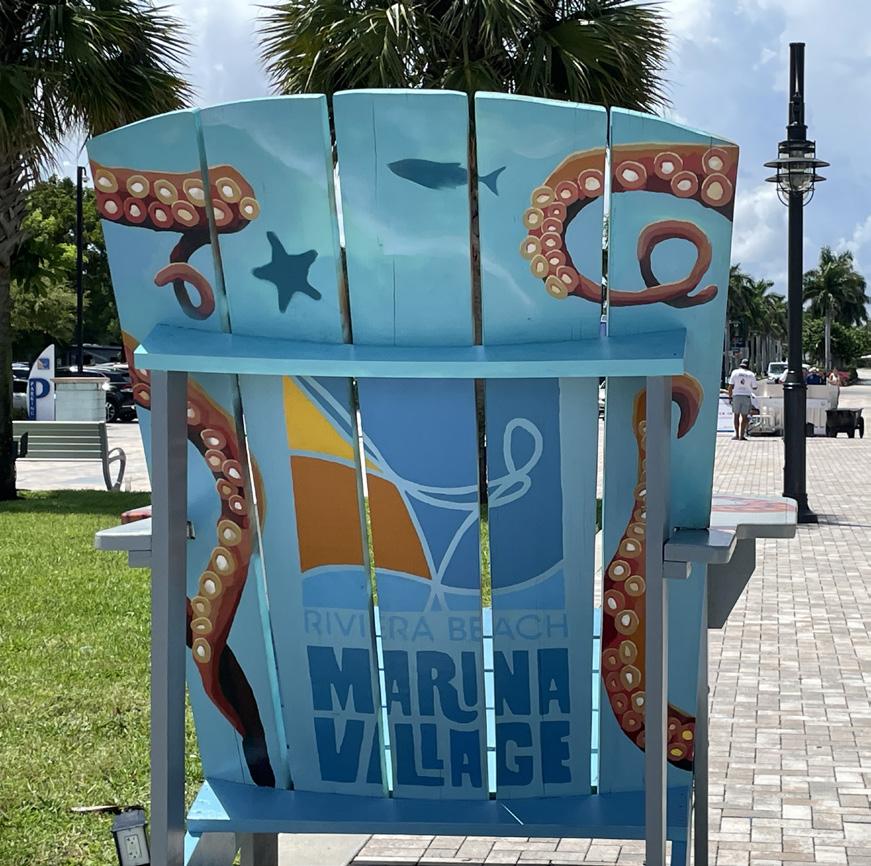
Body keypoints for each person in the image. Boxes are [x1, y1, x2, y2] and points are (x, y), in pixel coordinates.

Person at [728, 358, 757, 440]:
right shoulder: (751, 374)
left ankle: (736, 435)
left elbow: (730, 386)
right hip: (746, 396)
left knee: (736, 415)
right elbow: (755, 387)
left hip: (736, 396)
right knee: (744, 417)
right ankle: (742, 435)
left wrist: (730, 397)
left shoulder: (735, 372)